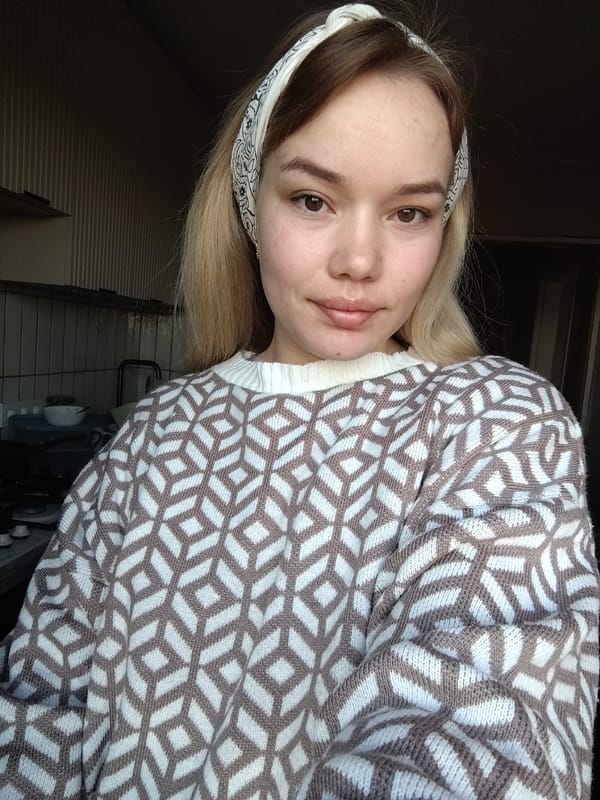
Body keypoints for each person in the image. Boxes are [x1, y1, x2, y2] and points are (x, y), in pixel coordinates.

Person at [1, 3, 598, 798]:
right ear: (252, 201)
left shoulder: (493, 423)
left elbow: (483, 729)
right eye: (314, 199)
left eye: (409, 212)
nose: (360, 261)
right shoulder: (149, 435)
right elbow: (40, 711)